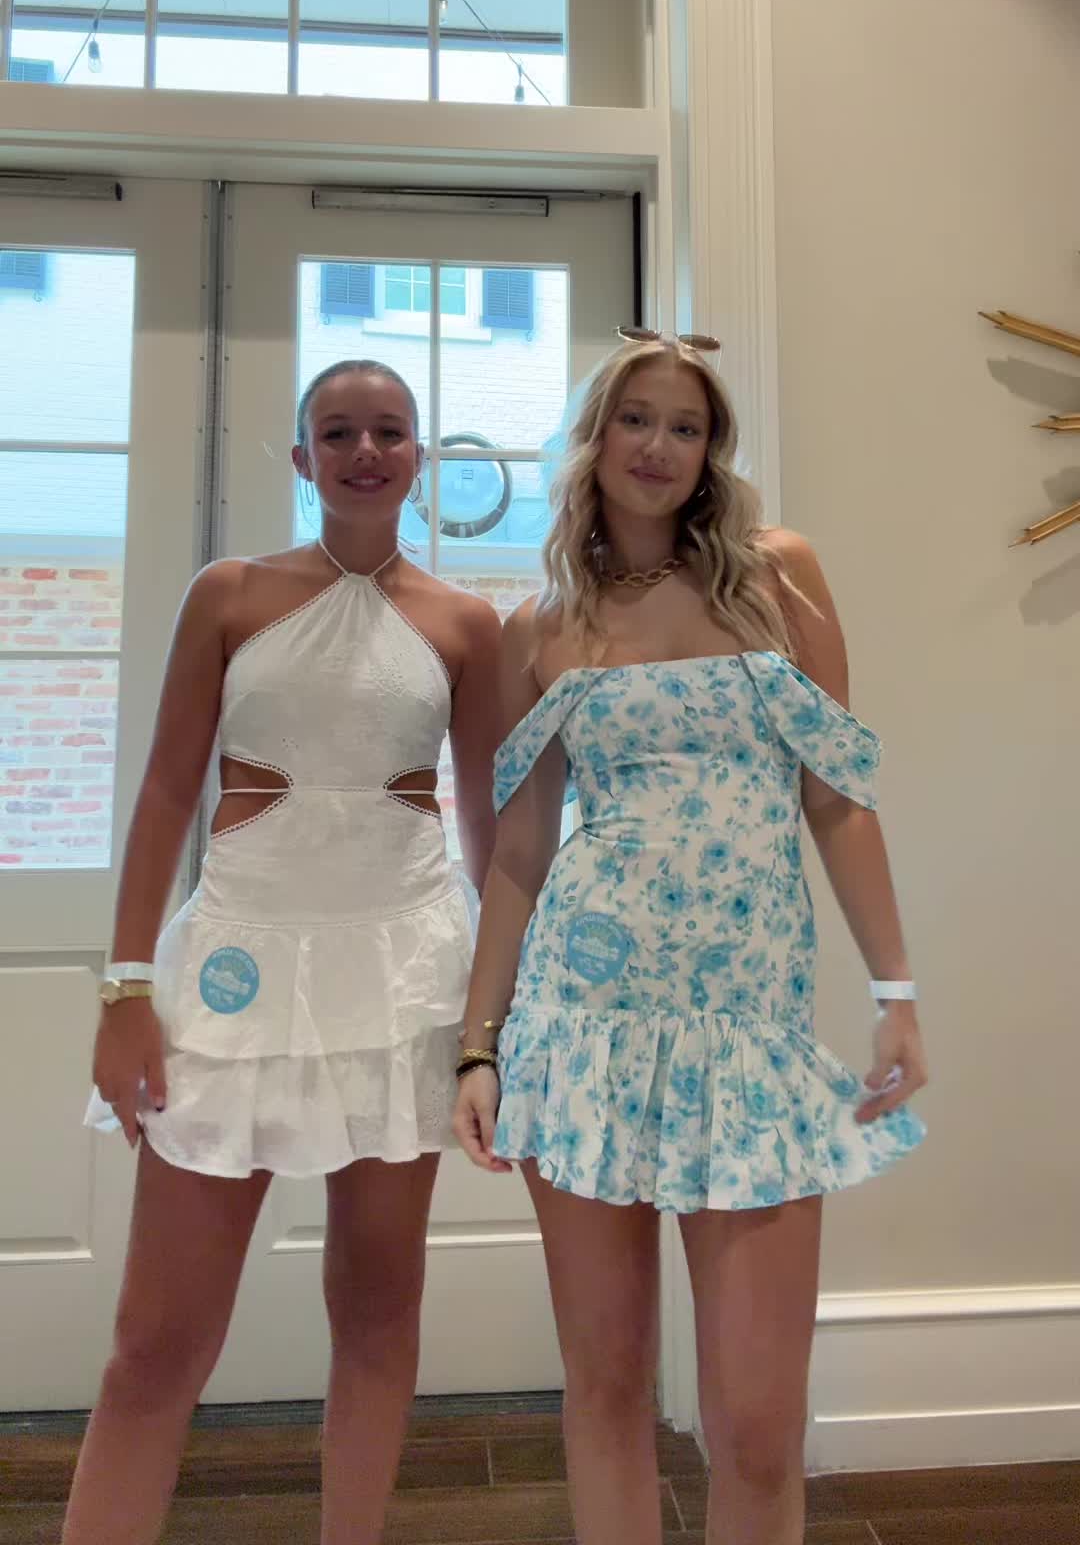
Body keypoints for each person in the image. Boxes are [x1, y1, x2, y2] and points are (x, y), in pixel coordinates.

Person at [454, 332, 927, 1545]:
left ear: (713, 450)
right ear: (593, 438)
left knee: (757, 1424)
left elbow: (839, 797)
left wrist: (898, 992)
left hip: (746, 1036)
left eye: (687, 426)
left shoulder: (778, 578)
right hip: (580, 1028)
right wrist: (478, 1045)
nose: (659, 447)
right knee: (607, 1389)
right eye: (637, 419)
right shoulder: (540, 625)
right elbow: (520, 850)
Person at [67, 358, 502, 1545]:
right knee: (157, 1340)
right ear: (304, 457)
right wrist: (125, 989)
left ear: (419, 459)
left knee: (378, 1316)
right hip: (233, 976)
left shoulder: (466, 625)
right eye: (339, 431)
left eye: (390, 431)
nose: (367, 451)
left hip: (407, 983)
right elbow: (167, 793)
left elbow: (491, 836)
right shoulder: (230, 594)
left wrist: (492, 1026)